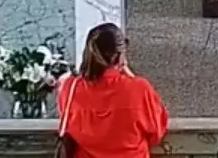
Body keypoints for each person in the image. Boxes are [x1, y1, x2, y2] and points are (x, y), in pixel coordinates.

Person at [56, 23, 169, 158]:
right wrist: (130, 75)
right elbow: (157, 131)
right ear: (120, 55)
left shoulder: (69, 88)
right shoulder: (139, 89)